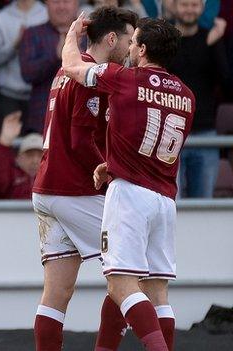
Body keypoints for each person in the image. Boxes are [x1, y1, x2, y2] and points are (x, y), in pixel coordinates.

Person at [62, 14, 195, 351]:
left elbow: (73, 68)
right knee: (157, 291)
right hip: (164, 199)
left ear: (144, 49)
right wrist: (114, 162)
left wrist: (71, 35)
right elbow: (150, 142)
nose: (130, 46)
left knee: (121, 285)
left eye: (134, 41)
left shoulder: (125, 79)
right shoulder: (187, 95)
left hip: (131, 196)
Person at [29, 7, 137, 350]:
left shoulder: (66, 67)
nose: (133, 48)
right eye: (130, 39)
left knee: (57, 293)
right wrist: (111, 173)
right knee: (131, 271)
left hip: (46, 187)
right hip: (75, 188)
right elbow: (80, 139)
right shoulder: (90, 74)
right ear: (112, 38)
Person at [169, 0, 229, 198]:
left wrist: (212, 43)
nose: (189, 10)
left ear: (202, 8)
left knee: (204, 205)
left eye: (194, 5)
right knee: (171, 203)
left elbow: (226, 82)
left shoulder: (212, 38)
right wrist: (206, 44)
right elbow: (170, 71)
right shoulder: (165, 39)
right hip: (171, 133)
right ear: (174, 6)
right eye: (185, 4)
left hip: (205, 132)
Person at [18, 0, 81, 134]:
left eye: (67, 2)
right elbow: (27, 74)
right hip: (43, 118)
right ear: (46, 4)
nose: (61, 6)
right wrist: (55, 56)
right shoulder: (33, 33)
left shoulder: (90, 35)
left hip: (81, 116)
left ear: (76, 4)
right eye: (56, 2)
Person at [0, 0, 48, 134]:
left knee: (40, 148)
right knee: (8, 149)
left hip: (41, 96)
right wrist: (14, 46)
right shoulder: (1, 18)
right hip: (9, 96)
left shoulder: (47, 13)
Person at [0, 112, 42, 199]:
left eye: (40, 156)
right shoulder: (11, 175)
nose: (35, 161)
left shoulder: (52, 179)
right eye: (30, 155)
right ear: (19, 158)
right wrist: (3, 144)